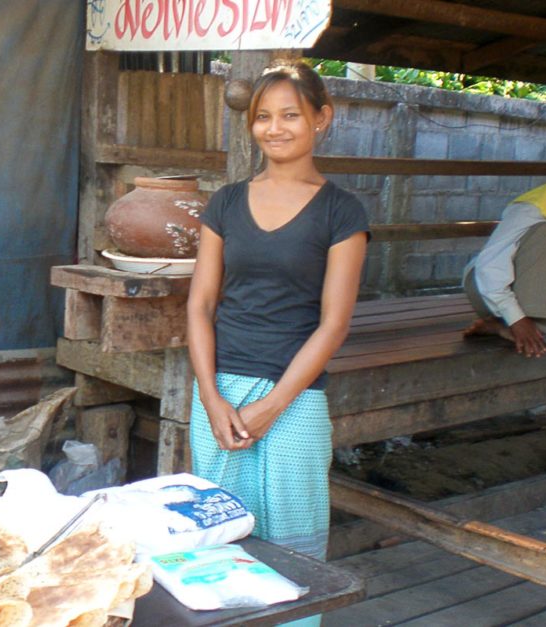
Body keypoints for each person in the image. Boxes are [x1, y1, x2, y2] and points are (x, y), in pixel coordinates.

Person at [186, 58, 369, 586]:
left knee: (295, 544)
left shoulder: (342, 212)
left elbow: (333, 324)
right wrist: (209, 396)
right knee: (216, 535)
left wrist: (273, 404)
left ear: (321, 119)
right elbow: (200, 306)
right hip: (218, 392)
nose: (274, 128)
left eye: (290, 115)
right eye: (263, 116)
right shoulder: (225, 203)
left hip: (295, 396)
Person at [463, 136, 546, 357]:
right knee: (545, 232)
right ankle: (519, 323)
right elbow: (490, 268)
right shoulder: (531, 209)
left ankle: (503, 329)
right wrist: (517, 317)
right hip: (488, 288)